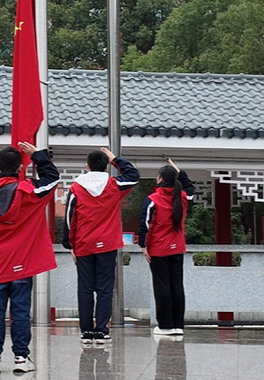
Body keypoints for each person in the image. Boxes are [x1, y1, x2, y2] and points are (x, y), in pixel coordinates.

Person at [0, 141, 61, 374]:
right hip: (23, 260)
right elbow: (52, 179)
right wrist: (37, 156)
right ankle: (21, 359)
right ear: (20, 169)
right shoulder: (27, 190)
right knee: (20, 310)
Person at [62, 147, 140, 344]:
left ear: (87, 166)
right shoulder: (114, 184)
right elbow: (133, 175)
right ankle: (102, 330)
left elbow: (70, 218)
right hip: (107, 244)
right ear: (106, 167)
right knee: (105, 288)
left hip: (84, 243)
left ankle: (86, 331)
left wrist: (69, 242)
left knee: (85, 288)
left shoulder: (76, 188)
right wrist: (116, 159)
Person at [138, 159, 195, 337]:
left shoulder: (152, 200)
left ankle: (165, 325)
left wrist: (143, 246)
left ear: (161, 179)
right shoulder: (183, 198)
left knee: (162, 286)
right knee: (176, 285)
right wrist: (180, 172)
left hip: (159, 249)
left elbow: (145, 225)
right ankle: (178, 325)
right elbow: (190, 188)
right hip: (177, 247)